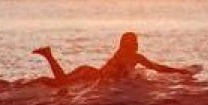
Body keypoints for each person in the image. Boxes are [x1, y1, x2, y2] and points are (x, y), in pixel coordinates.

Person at [32, 31, 195, 89]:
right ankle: (48, 55)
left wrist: (179, 71)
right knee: (61, 82)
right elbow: (157, 67)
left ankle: (45, 63)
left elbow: (157, 67)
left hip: (92, 73)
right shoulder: (132, 56)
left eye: (133, 42)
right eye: (131, 42)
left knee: (59, 82)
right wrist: (180, 71)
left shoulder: (130, 56)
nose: (133, 45)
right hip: (92, 75)